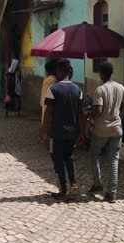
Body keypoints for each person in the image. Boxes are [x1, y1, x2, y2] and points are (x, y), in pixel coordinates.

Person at [39, 59, 85, 201]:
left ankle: (63, 191)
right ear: (70, 72)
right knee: (69, 158)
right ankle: (73, 183)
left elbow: (48, 113)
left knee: (58, 160)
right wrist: (82, 132)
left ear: (59, 72)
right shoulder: (78, 90)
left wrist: (43, 130)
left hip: (57, 132)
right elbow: (80, 114)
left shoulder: (53, 90)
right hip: (72, 132)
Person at [88, 62, 124, 203]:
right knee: (114, 160)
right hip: (117, 128)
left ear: (102, 74)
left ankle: (98, 184)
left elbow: (98, 110)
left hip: (101, 129)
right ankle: (111, 193)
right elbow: (123, 106)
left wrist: (90, 118)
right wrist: (118, 119)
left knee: (94, 154)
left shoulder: (100, 90)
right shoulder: (121, 87)